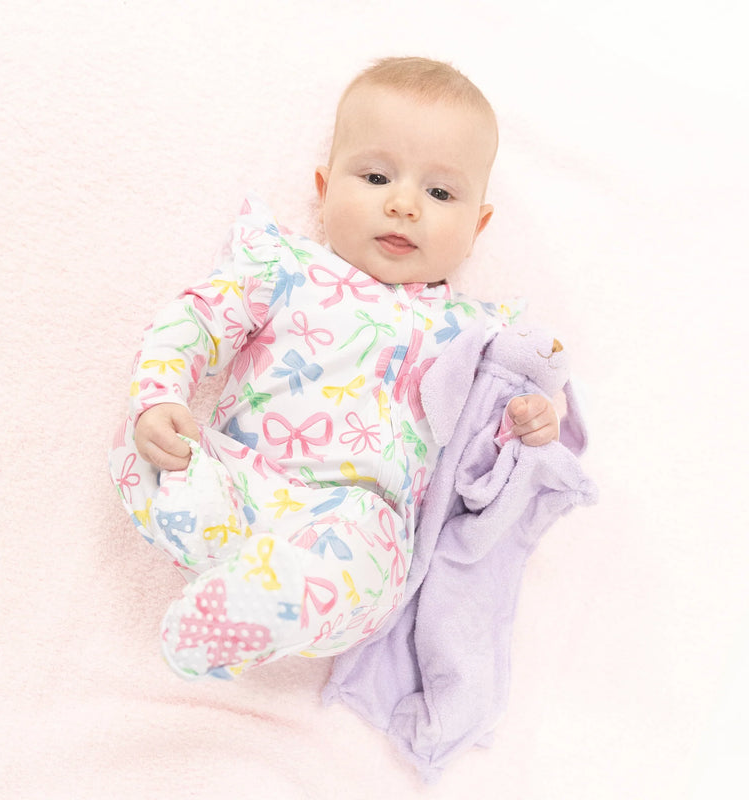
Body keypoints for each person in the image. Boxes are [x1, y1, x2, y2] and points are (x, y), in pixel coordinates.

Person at [109, 56, 561, 680]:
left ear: (477, 226)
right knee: (143, 447)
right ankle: (231, 563)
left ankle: (262, 604)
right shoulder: (284, 267)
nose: (404, 205)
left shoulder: (472, 336)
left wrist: (522, 427)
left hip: (352, 518)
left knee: (366, 556)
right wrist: (160, 397)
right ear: (324, 192)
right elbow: (196, 319)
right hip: (239, 476)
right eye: (376, 176)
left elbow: (476, 454)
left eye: (439, 192)